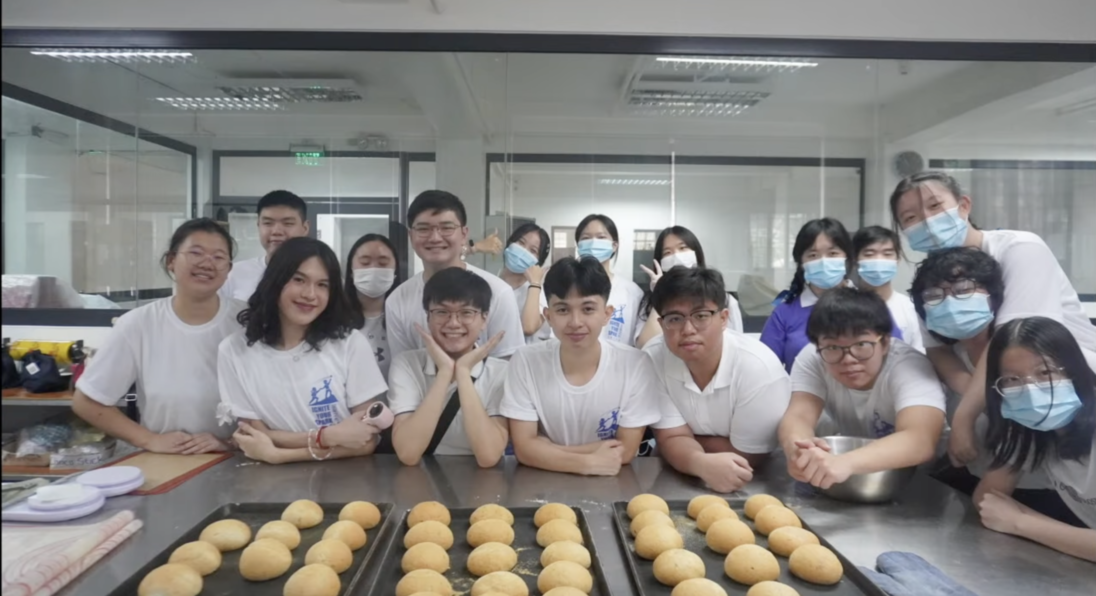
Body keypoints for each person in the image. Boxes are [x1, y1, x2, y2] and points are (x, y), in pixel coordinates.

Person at [889, 171, 1096, 468]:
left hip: (1068, 383)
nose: (926, 221)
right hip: (1008, 390)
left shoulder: (1019, 249)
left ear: (963, 205)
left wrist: (966, 416)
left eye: (935, 206)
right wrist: (985, 397)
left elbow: (1011, 341)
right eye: (910, 217)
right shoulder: (930, 277)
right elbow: (938, 350)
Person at [73, 218, 243, 454]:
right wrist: (148, 439)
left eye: (218, 257)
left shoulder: (247, 321)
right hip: (164, 460)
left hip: (236, 459)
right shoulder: (137, 324)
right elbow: (87, 401)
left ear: (229, 270)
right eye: (196, 252)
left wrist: (228, 443)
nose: (207, 263)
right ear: (171, 261)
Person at [218, 237, 388, 464]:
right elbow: (255, 437)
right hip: (267, 487)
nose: (310, 294)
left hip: (348, 481)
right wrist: (329, 436)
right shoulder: (234, 351)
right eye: (299, 280)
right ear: (276, 281)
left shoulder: (349, 343)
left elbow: (365, 440)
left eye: (322, 285)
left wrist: (279, 455)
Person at [911, 248, 1055, 498]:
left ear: (993, 294)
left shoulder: (1025, 356)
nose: (950, 302)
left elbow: (1026, 439)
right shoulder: (951, 359)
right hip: (977, 479)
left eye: (964, 289)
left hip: (1043, 492)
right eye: (934, 295)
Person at [500, 256, 664, 476]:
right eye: (562, 310)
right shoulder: (526, 361)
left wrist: (546, 450)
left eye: (587, 309)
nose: (575, 322)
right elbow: (524, 449)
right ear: (548, 316)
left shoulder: (634, 365)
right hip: (540, 484)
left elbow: (626, 451)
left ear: (607, 314)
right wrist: (585, 463)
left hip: (611, 485)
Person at [778, 287, 946, 488]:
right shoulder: (813, 358)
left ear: (884, 343)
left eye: (862, 345)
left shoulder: (908, 366)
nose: (849, 359)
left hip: (925, 480)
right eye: (833, 347)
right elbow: (799, 416)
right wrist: (799, 451)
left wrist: (844, 462)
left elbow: (919, 440)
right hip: (856, 477)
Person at [645, 267, 790, 493]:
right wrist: (698, 461)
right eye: (674, 318)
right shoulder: (654, 358)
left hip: (759, 481)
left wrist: (686, 440)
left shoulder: (758, 368)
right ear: (661, 323)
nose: (688, 329)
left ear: (723, 319)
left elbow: (750, 454)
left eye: (701, 316)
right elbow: (669, 438)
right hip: (676, 476)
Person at [974, 317, 1096, 561]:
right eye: (1012, 380)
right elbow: (987, 501)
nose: (1030, 390)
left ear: (1075, 371)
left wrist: (1021, 522)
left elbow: (1003, 514)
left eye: (1045, 372)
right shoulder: (1030, 423)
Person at [389, 268, 509, 467]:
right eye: (442, 312)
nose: (453, 323)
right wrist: (444, 373)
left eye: (466, 313)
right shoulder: (406, 365)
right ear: (427, 316)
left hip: (483, 487)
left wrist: (462, 373)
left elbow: (488, 456)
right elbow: (408, 453)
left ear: (484, 319)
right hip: (418, 483)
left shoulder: (501, 373)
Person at [386, 191, 524, 362]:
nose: (435, 237)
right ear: (410, 236)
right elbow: (404, 368)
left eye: (446, 228)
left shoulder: (498, 292)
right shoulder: (397, 301)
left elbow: (509, 365)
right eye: (423, 229)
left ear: (464, 234)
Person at [760, 218, 855, 372]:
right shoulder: (784, 314)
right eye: (813, 255)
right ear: (801, 263)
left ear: (847, 258)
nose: (824, 262)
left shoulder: (870, 307)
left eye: (833, 253)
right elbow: (764, 370)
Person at [636, 226, 744, 347]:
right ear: (660, 261)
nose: (676, 255)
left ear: (696, 253)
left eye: (682, 248)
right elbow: (644, 346)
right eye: (667, 252)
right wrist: (660, 293)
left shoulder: (724, 300)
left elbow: (736, 345)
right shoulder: (649, 302)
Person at [220, 190, 310, 301]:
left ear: (305, 228)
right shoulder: (234, 273)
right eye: (268, 223)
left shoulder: (318, 274)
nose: (276, 231)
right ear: (258, 226)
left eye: (288, 223)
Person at [575, 214, 645, 347]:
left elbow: (641, 341)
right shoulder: (569, 286)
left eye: (601, 237)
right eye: (586, 238)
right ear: (579, 245)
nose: (594, 242)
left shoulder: (632, 292)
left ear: (614, 245)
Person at [854, 225, 923, 352]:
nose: (878, 260)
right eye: (869, 254)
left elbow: (920, 356)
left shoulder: (911, 309)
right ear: (855, 259)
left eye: (887, 254)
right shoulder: (844, 307)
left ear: (897, 260)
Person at [345, 234, 400, 380]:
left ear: (395, 271)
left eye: (383, 263)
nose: (373, 269)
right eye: (364, 262)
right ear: (351, 270)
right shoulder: (334, 317)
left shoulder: (402, 316)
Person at [498, 223, 552, 343]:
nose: (522, 251)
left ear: (538, 261)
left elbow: (528, 327)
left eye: (533, 250)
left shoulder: (538, 293)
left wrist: (535, 283)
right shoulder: (492, 283)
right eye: (521, 243)